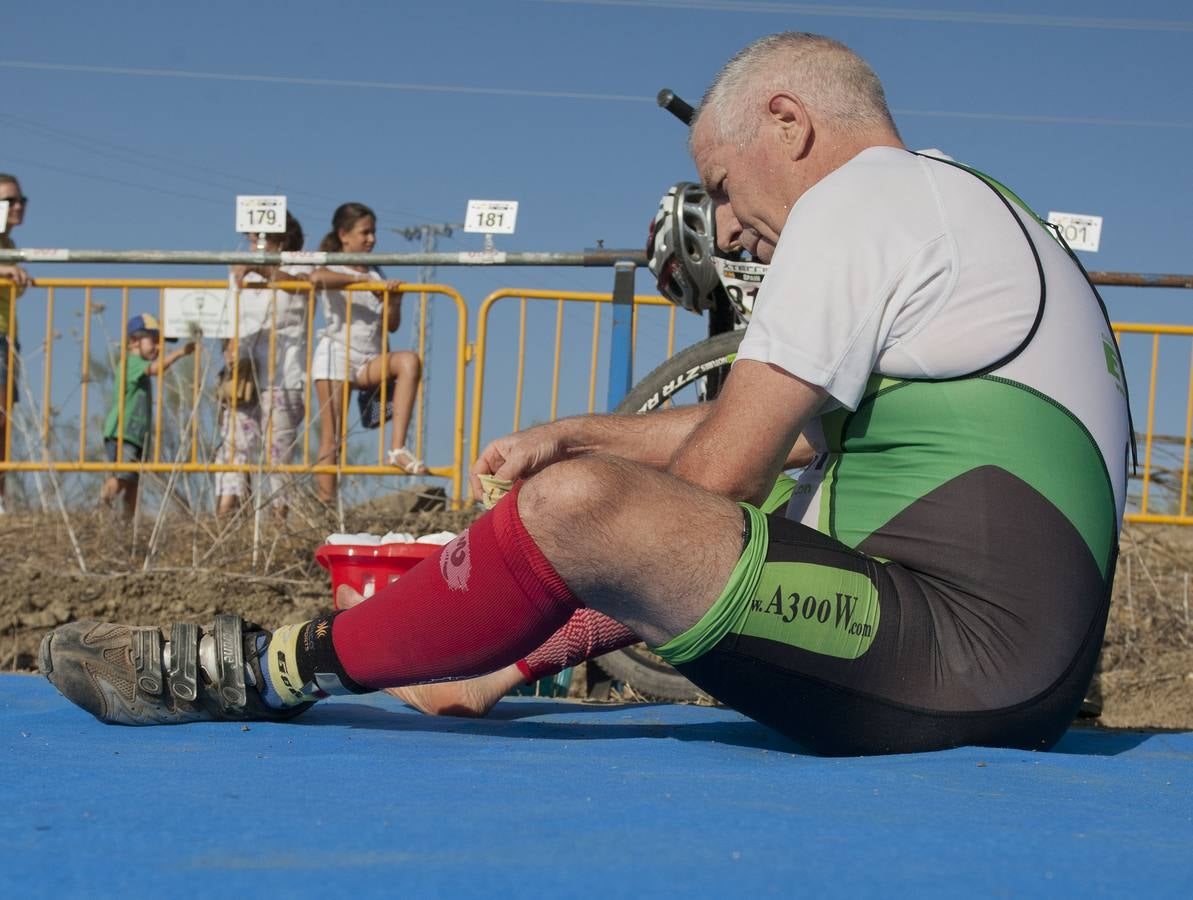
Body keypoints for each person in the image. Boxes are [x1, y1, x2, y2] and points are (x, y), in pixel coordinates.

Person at [40, 33, 1130, 756]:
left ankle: (263, 667)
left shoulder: (859, 202)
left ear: (789, 122)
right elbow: (773, 438)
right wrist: (576, 432)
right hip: (1002, 668)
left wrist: (516, 647)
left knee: (582, 508)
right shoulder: (956, 206)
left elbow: (712, 486)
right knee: (592, 486)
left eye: (721, 186)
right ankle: (377, 653)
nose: (733, 224)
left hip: (957, 660)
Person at [309, 202, 425, 505]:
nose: (372, 239)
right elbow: (316, 279)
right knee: (331, 437)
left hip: (368, 359)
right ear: (344, 235)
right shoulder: (333, 264)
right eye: (365, 232)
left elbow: (392, 325)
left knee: (409, 361)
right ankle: (327, 503)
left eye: (374, 232)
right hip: (336, 354)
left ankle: (397, 449)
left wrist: (395, 300)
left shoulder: (376, 269)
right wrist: (361, 281)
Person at [215, 214, 313, 519]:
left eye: (260, 238)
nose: (253, 245)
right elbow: (229, 315)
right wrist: (227, 347)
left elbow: (302, 290)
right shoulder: (239, 270)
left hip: (284, 375)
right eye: (251, 238)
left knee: (278, 450)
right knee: (233, 445)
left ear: (279, 239)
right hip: (245, 373)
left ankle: (278, 524)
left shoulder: (300, 264)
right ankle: (223, 515)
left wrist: (263, 270)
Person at [99, 314, 195, 518]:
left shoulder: (137, 365)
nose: (159, 348)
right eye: (154, 341)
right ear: (134, 341)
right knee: (123, 477)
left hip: (136, 436)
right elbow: (155, 369)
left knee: (133, 484)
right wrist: (179, 353)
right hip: (123, 433)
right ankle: (100, 507)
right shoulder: (131, 362)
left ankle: (126, 525)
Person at [0, 174, 32, 515]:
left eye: (22, 200)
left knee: (4, 419)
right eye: (9, 200)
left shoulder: (9, 245)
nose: (18, 206)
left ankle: (1, 498)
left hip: (7, 338)